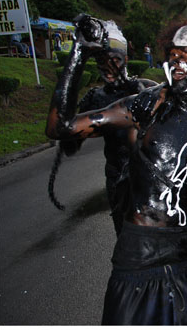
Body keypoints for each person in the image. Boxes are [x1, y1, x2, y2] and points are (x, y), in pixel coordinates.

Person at [46, 17, 187, 325]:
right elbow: (61, 128)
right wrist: (80, 51)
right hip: (138, 255)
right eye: (174, 54)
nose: (179, 62)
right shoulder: (145, 106)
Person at [47, 15, 158, 237]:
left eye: (114, 61)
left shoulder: (146, 90)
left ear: (126, 58)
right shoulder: (95, 98)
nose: (107, 68)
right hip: (117, 181)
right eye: (101, 62)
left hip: (151, 181)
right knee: (126, 240)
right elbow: (69, 142)